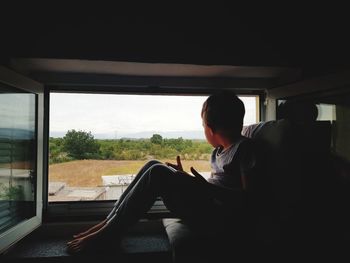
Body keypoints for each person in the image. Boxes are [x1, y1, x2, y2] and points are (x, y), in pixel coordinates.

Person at [67, 91, 257, 254]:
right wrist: (188, 180)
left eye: (202, 126)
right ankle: (108, 225)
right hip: (207, 206)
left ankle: (110, 233)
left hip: (219, 220)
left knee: (158, 171)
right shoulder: (218, 151)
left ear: (210, 128)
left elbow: (249, 201)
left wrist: (204, 187)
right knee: (153, 164)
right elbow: (215, 186)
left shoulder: (245, 149)